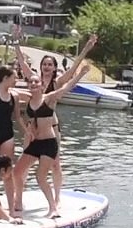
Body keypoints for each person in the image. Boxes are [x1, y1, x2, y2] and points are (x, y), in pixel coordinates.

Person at [14, 30, 98, 204]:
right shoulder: (34, 80)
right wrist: (16, 42)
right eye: (44, 64)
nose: (46, 67)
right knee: (25, 162)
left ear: (54, 67)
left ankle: (57, 197)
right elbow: (21, 62)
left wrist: (86, 49)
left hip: (51, 128)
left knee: (56, 164)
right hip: (32, 129)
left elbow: (74, 69)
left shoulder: (57, 83)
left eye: (50, 64)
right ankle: (18, 196)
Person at [10, 63, 93, 219]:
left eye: (36, 82)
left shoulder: (49, 99)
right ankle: (18, 203)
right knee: (17, 171)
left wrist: (81, 74)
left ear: (42, 85)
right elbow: (7, 89)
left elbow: (66, 87)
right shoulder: (26, 98)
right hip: (35, 144)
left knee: (40, 176)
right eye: (31, 82)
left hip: (49, 143)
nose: (33, 84)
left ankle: (53, 208)